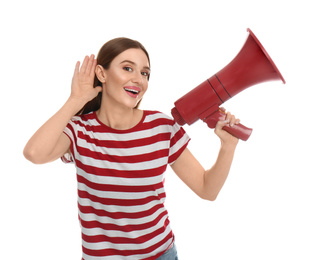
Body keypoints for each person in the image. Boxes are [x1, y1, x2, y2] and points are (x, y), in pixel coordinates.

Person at [23, 37, 240, 260]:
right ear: (102, 73)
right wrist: (76, 99)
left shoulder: (161, 127)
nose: (139, 80)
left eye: (145, 73)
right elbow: (34, 153)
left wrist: (228, 146)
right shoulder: (80, 130)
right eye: (128, 68)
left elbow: (207, 190)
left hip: (161, 254)